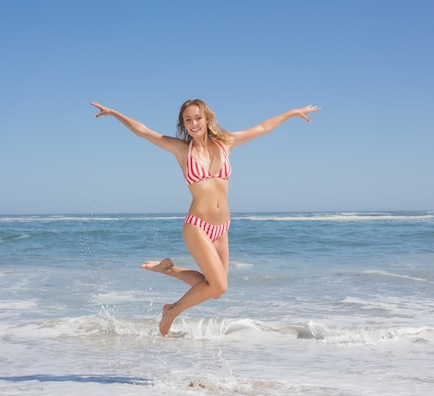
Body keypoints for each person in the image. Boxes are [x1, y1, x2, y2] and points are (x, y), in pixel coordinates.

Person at [90, 99, 320, 336]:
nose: (193, 123)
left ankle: (167, 269)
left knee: (217, 290)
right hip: (197, 226)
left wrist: (291, 113)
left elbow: (261, 128)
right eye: (188, 120)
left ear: (207, 119)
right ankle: (171, 311)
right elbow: (143, 131)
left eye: (197, 118)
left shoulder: (225, 143)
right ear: (183, 124)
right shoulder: (182, 150)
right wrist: (115, 113)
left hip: (222, 228)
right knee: (219, 284)